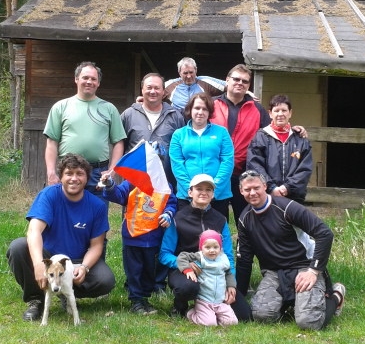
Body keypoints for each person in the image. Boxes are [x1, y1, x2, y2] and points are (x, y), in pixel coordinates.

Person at [6, 154, 116, 322]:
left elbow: (96, 246)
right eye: (69, 173)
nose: (74, 178)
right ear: (61, 176)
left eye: (79, 174)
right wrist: (38, 265)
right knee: (18, 248)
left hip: (77, 260)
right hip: (49, 258)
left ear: (87, 178)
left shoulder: (97, 206)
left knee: (105, 280)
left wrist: (84, 267)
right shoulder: (49, 195)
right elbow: (34, 231)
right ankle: (35, 299)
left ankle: (66, 293)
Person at [236, 170, 346, 330]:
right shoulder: (244, 219)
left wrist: (314, 271)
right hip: (274, 272)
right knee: (261, 315)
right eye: (247, 189)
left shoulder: (287, 207)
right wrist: (239, 295)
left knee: (308, 322)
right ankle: (295, 301)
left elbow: (324, 233)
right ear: (241, 191)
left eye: (256, 187)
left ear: (265, 186)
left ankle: (336, 295)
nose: (252, 193)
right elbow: (244, 259)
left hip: (304, 267)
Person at [212, 64, 307, 222]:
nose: (240, 83)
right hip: (216, 173)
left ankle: (245, 239)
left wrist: (293, 129)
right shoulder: (211, 105)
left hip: (244, 173)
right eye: (236, 79)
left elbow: (273, 130)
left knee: (247, 219)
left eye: (245, 81)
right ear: (227, 80)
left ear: (248, 85)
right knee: (217, 220)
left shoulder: (257, 109)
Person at [120, 73, 185, 293]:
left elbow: (181, 144)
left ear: (164, 91)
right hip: (136, 185)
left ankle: (157, 281)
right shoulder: (129, 114)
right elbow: (120, 145)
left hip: (163, 185)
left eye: (157, 88)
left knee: (162, 230)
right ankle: (133, 280)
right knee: (134, 231)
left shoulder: (175, 115)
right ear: (142, 89)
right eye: (149, 87)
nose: (153, 91)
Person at [159, 174, 252, 321]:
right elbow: (164, 254)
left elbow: (228, 255)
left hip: (216, 272)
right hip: (187, 271)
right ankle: (180, 307)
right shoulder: (178, 219)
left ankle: (207, 306)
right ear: (190, 192)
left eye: (208, 189)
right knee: (187, 288)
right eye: (199, 189)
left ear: (213, 194)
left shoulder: (220, 220)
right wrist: (185, 265)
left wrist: (231, 283)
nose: (204, 192)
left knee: (244, 315)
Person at [100, 169, 177, 315]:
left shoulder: (164, 185)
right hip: (133, 236)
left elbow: (171, 202)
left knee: (149, 270)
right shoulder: (131, 182)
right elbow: (118, 195)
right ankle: (136, 300)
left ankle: (145, 298)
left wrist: (168, 213)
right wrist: (110, 185)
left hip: (153, 236)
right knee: (134, 271)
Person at [44, 61, 127, 195]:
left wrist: (112, 170)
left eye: (93, 79)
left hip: (98, 174)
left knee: (97, 207)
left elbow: (118, 142)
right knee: (66, 208)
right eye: (85, 78)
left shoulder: (109, 109)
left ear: (98, 83)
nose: (89, 82)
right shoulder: (60, 107)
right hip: (68, 171)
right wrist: (51, 172)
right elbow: (52, 142)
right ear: (76, 79)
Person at [169, 93, 234, 218]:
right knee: (188, 230)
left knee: (217, 229)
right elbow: (177, 165)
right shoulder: (178, 134)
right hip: (187, 196)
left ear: (209, 112)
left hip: (218, 196)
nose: (200, 112)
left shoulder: (222, 132)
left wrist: (214, 190)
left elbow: (227, 161)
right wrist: (192, 191)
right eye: (197, 108)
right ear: (190, 110)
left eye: (204, 109)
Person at [246, 94, 313, 203]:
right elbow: (254, 164)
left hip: (294, 196)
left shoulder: (300, 140)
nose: (280, 114)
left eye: (284, 110)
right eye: (276, 110)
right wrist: (271, 187)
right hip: (267, 195)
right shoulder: (260, 137)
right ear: (270, 113)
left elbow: (305, 169)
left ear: (290, 113)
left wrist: (288, 187)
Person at [177, 230, 239, 327]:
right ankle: (191, 313)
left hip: (220, 301)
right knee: (210, 323)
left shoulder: (223, 258)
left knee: (232, 322)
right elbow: (182, 257)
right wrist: (187, 269)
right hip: (204, 300)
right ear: (201, 247)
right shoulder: (200, 257)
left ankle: (213, 315)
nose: (212, 250)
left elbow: (228, 273)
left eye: (215, 247)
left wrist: (231, 285)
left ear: (220, 247)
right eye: (207, 247)